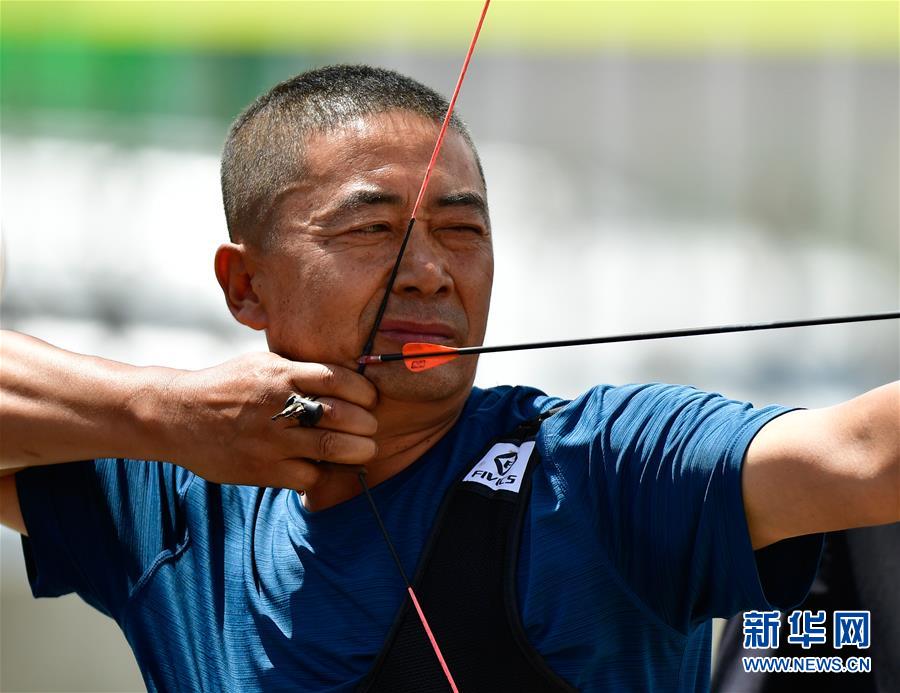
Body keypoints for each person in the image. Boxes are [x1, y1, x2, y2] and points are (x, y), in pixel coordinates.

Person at [0, 65, 897, 692]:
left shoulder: (595, 467)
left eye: (462, 232)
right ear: (246, 286)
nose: (430, 271)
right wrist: (163, 414)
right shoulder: (175, 492)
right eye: (373, 229)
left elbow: (866, 455)